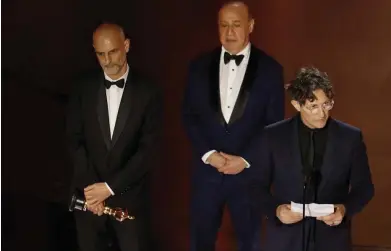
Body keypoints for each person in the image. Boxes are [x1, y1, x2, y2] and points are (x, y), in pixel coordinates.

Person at [182, 1, 285, 250]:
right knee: (200, 242)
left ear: (250, 25)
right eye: (224, 25)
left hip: (248, 176)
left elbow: (274, 125)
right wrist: (209, 155)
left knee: (250, 243)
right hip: (207, 174)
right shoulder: (198, 67)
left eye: (236, 25)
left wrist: (245, 160)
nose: (229, 32)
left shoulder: (271, 70)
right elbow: (188, 115)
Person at [250, 66, 375, 251]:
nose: (322, 113)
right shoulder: (272, 136)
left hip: (332, 240)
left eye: (326, 104)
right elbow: (254, 186)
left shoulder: (350, 137)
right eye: (313, 106)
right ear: (296, 105)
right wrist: (276, 211)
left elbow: (364, 188)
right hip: (284, 240)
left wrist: (344, 209)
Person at [66, 23, 162, 251]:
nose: (107, 61)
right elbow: (74, 140)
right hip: (88, 201)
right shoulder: (82, 87)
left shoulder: (149, 91)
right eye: (100, 54)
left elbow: (147, 150)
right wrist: (93, 192)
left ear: (126, 46)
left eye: (113, 52)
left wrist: (109, 188)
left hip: (130, 201)